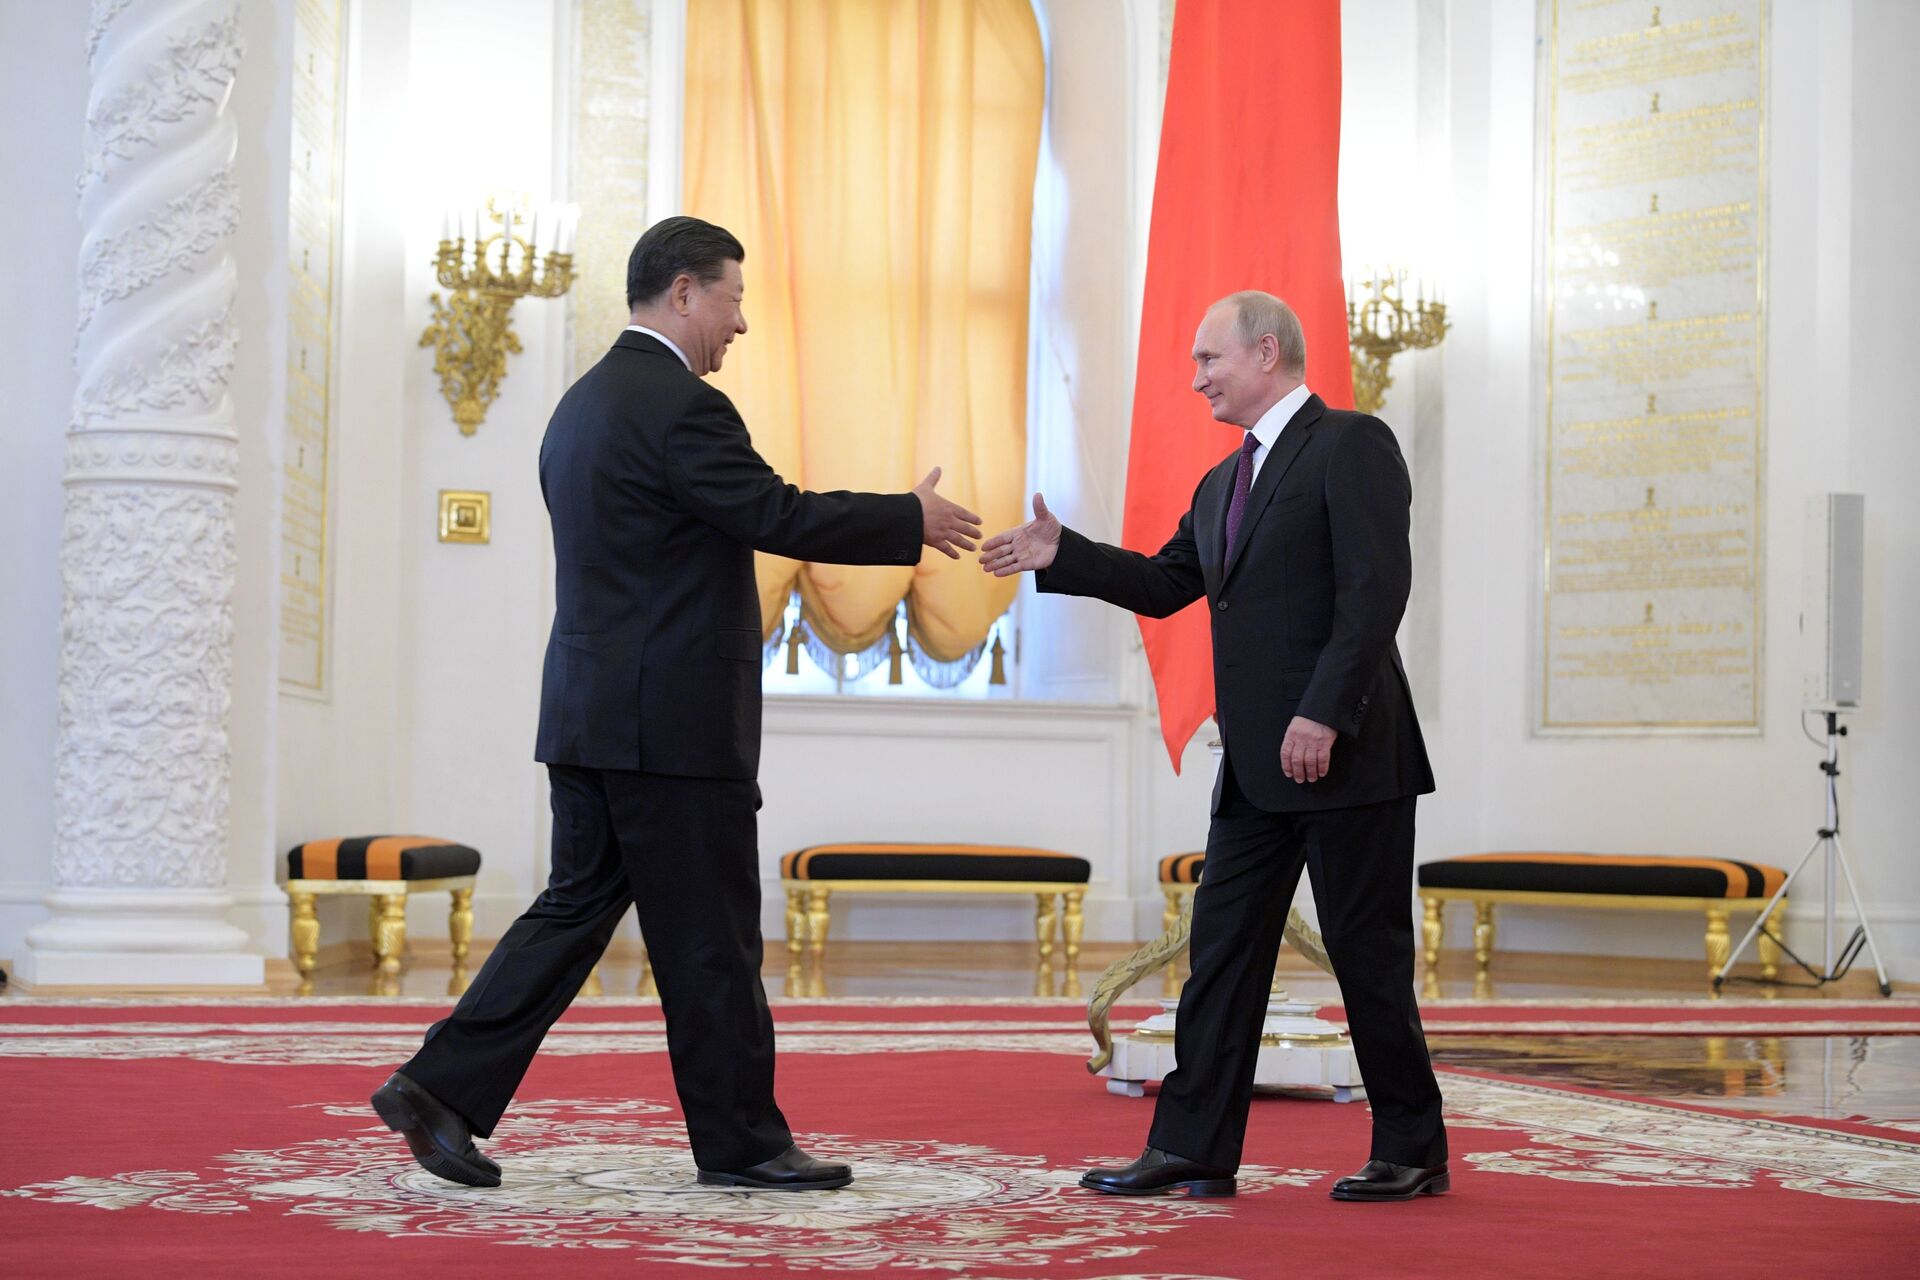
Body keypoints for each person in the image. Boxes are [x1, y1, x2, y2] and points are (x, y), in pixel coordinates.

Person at [372, 215, 984, 1192]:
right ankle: (744, 1140)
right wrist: (906, 516)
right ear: (686, 292)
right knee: (711, 940)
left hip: (589, 710)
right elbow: (775, 510)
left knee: (574, 910)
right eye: (734, 298)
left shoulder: (580, 404)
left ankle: (437, 1085)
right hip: (670, 727)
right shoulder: (681, 406)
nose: (740, 323)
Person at [981, 290, 1446, 1202]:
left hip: (1348, 753)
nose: (1196, 379)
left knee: (1368, 960)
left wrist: (1324, 712)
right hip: (1256, 770)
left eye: (1209, 361)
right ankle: (1192, 1147)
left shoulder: (1351, 444)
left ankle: (1411, 1148)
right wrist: (1062, 555)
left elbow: (1376, 591)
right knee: (1223, 954)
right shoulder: (1222, 482)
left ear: (1265, 353)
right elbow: (1163, 584)